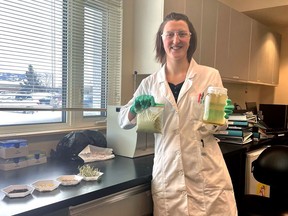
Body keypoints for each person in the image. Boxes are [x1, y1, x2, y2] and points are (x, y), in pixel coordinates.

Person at [118, 12, 237, 216]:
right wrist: (134, 108)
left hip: (206, 171)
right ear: (161, 39)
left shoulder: (210, 75)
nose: (176, 40)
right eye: (169, 34)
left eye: (182, 34)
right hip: (168, 173)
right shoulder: (149, 83)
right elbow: (123, 122)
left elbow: (218, 125)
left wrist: (222, 116)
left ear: (190, 38)